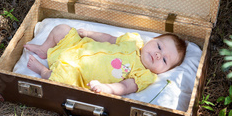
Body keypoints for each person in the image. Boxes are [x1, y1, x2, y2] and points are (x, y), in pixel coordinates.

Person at [24, 24, 186, 96]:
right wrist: (89, 34)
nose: (158, 55)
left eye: (164, 60)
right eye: (159, 46)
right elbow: (109, 38)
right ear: (151, 40)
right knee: (62, 29)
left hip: (76, 72)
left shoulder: (144, 75)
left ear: (165, 71)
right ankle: (44, 49)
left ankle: (42, 71)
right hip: (77, 46)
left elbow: (124, 87)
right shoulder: (133, 41)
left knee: (61, 80)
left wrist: (105, 88)